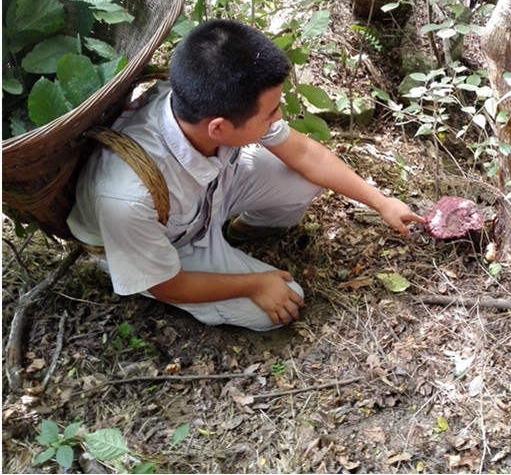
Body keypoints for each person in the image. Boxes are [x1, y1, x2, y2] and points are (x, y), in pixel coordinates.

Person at [67, 19, 424, 331]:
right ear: (219, 129)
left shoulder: (211, 106)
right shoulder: (127, 196)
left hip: (210, 193)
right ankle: (224, 261)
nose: (278, 115)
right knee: (282, 303)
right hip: (171, 243)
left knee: (305, 177)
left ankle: (246, 233)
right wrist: (253, 285)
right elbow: (165, 283)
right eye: (271, 112)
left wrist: (382, 202)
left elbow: (304, 154)